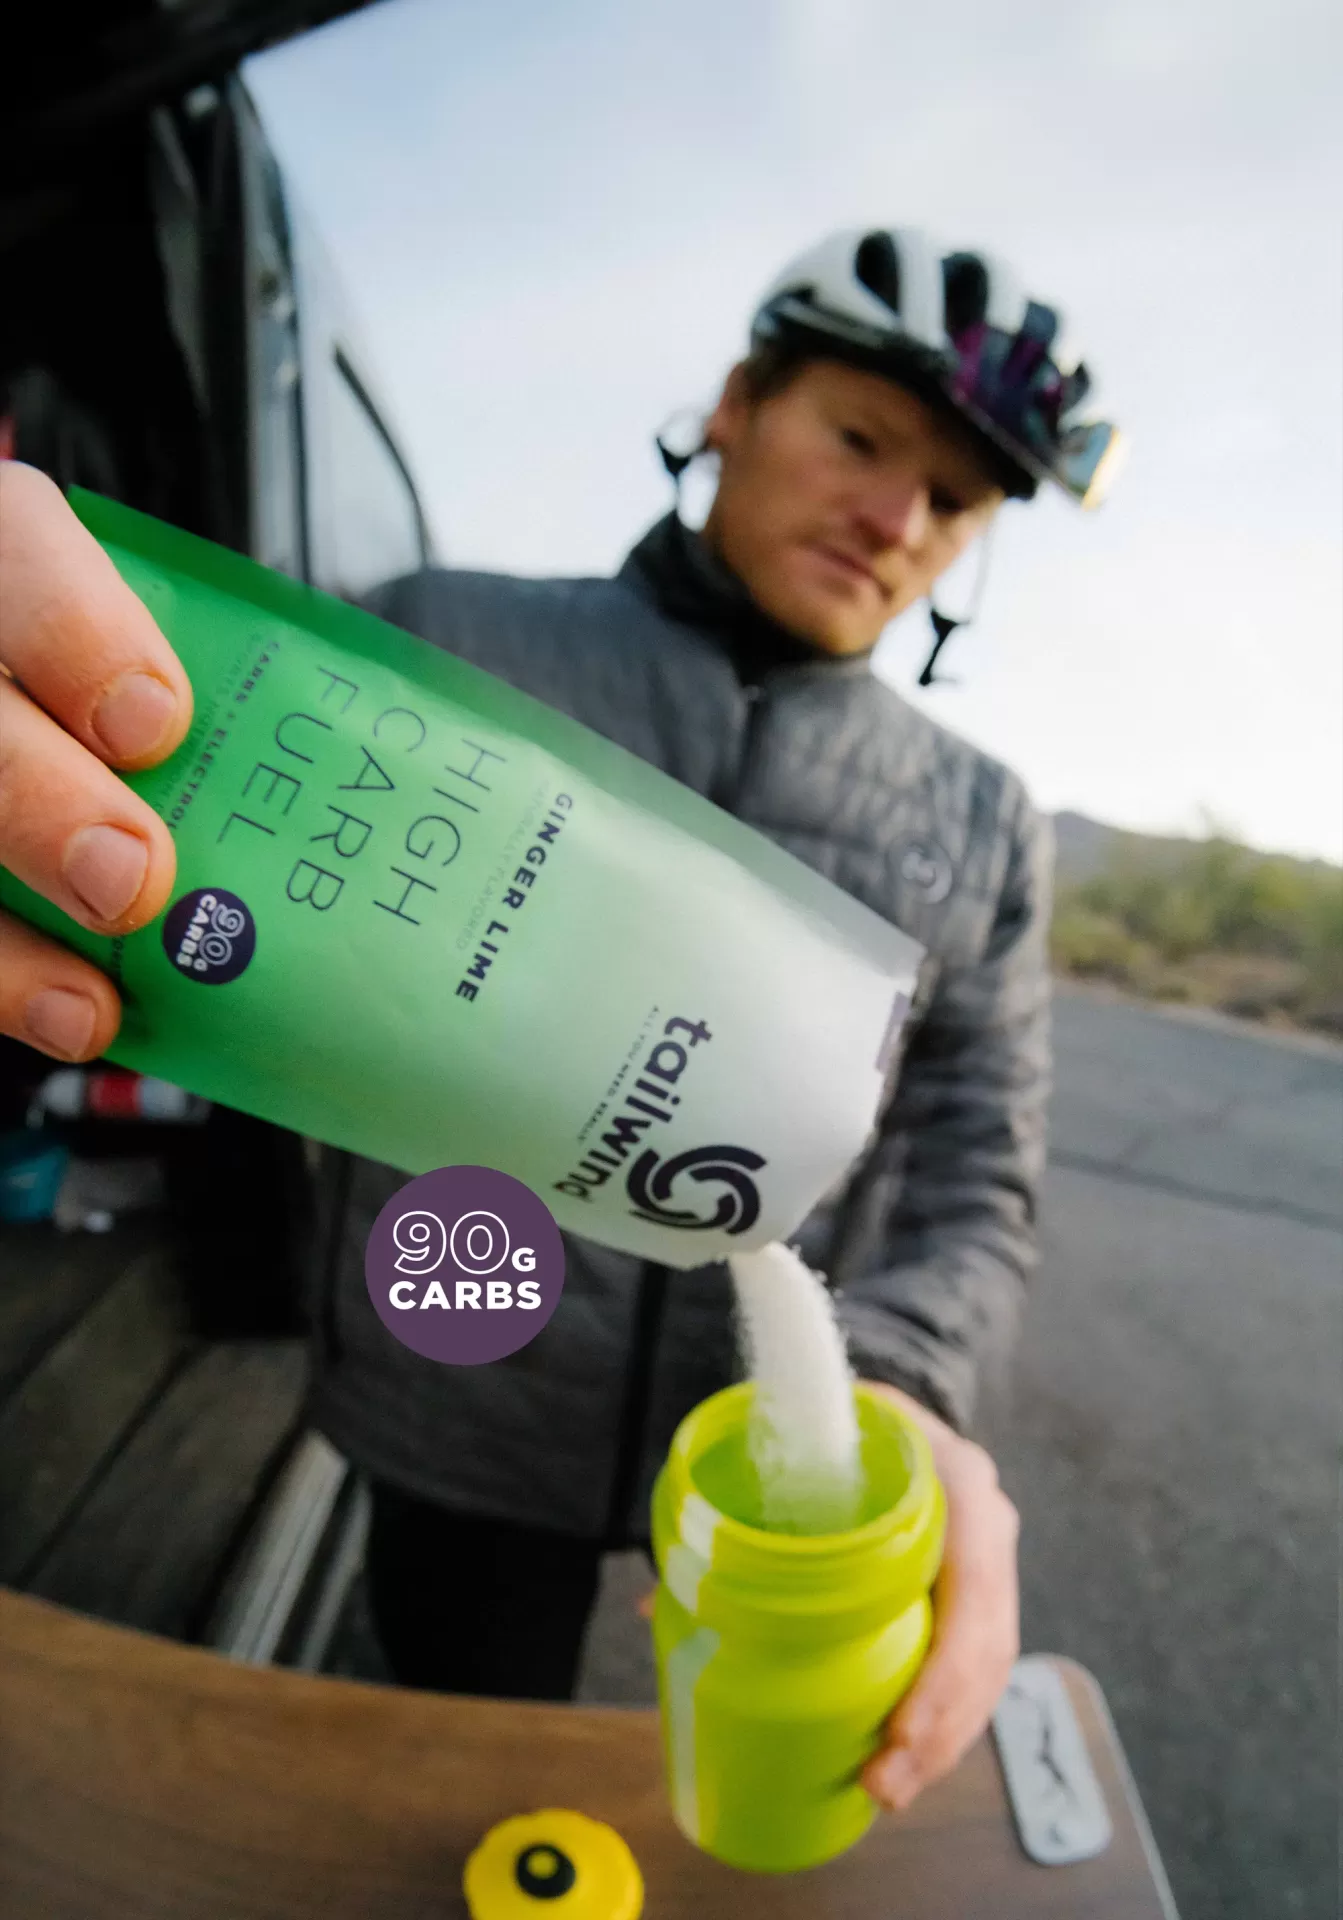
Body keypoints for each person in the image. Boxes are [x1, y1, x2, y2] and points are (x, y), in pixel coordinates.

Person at [0, 226, 1121, 1814]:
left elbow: (971, 1171)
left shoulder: (984, 821)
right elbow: (148, 933)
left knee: (744, 1814)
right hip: (461, 1405)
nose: (896, 517)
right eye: (861, 438)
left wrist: (892, 1389)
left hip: (777, 1453)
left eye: (954, 501)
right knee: (474, 1793)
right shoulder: (433, 640)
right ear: (735, 403)